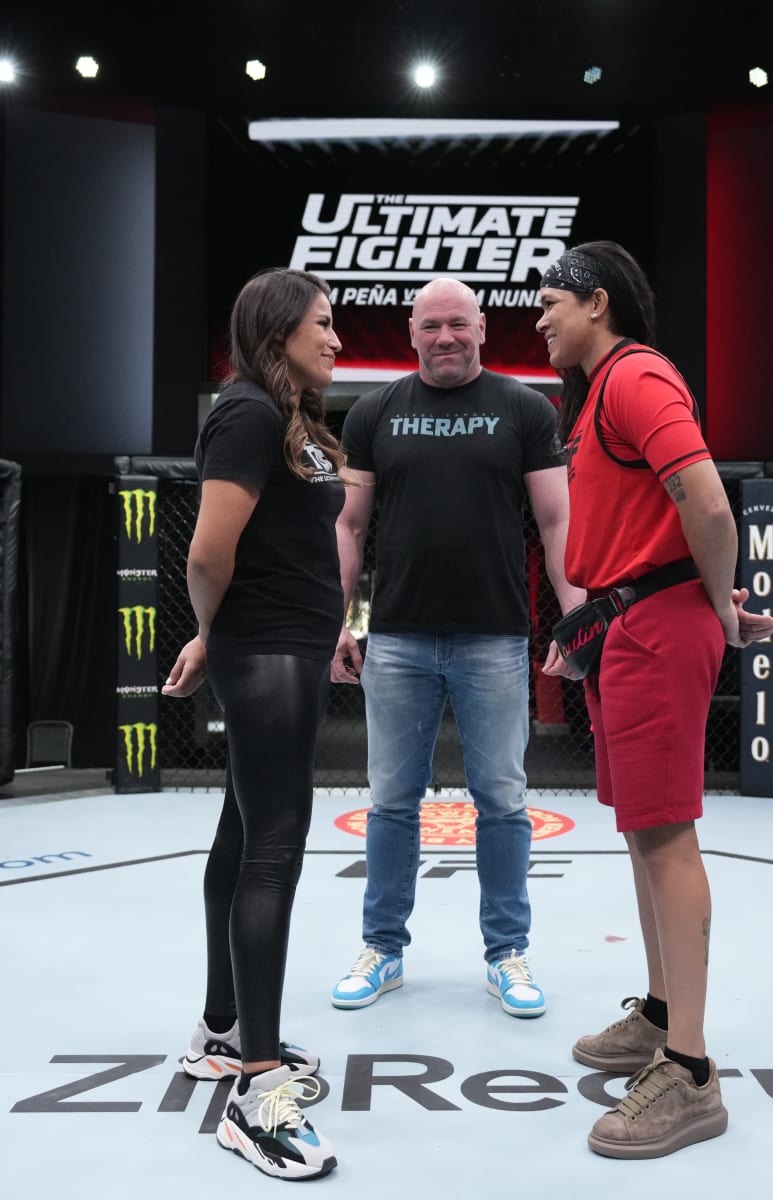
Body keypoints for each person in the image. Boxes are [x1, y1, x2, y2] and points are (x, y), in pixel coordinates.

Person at [534, 241, 773, 1159]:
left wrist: (715, 605)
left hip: (656, 626)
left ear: (598, 303)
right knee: (644, 831)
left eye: (551, 303)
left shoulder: (636, 377)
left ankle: (691, 1073)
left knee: (667, 836)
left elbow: (710, 509)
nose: (541, 319)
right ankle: (663, 1012)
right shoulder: (598, 393)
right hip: (625, 627)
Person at [327, 277, 588, 1018]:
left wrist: (571, 616)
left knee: (502, 801)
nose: (446, 337)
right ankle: (383, 948)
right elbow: (347, 529)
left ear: (483, 330)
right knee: (391, 802)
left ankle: (507, 954)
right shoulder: (375, 412)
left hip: (494, 638)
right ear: (411, 333)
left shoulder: (525, 410)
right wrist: (334, 620)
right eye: (432, 326)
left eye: (459, 325)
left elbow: (557, 520)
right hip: (399, 639)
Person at [162, 266, 348, 1182]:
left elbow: (301, 542)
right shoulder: (244, 413)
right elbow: (207, 550)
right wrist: (212, 634)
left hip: (295, 646)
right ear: (278, 333)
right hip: (266, 645)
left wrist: (332, 634)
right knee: (274, 845)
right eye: (323, 324)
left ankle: (221, 1032)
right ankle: (257, 1090)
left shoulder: (297, 421)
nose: (338, 340)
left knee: (242, 831)